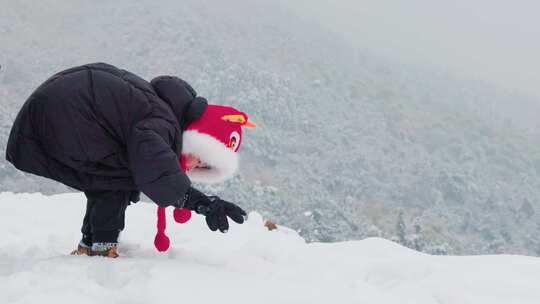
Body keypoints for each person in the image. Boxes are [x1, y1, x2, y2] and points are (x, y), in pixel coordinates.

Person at [6, 63, 255, 257]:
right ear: (196, 137)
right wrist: (202, 203)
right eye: (200, 159)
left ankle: (91, 243)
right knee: (122, 178)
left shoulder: (160, 111)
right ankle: (102, 248)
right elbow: (158, 176)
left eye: (201, 168)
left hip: (53, 111)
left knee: (115, 174)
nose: (193, 167)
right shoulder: (162, 123)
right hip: (61, 116)